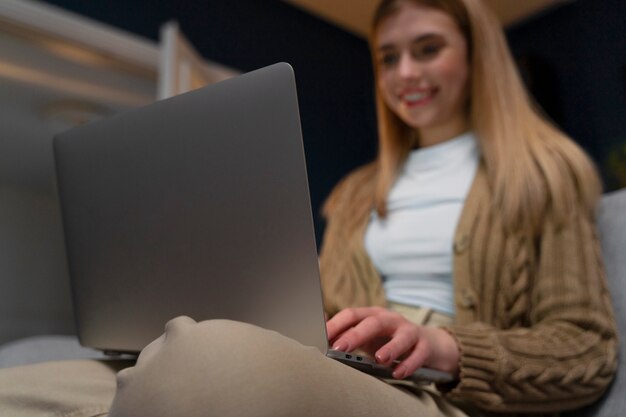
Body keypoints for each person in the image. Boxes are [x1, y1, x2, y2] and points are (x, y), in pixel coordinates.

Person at [0, 0, 617, 416]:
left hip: (437, 396)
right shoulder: (353, 193)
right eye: (387, 56)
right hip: (350, 367)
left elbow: (585, 350)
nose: (405, 73)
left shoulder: (546, 171)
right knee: (22, 389)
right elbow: (317, 311)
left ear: (477, 56)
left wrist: (445, 347)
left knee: (203, 359)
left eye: (427, 49)